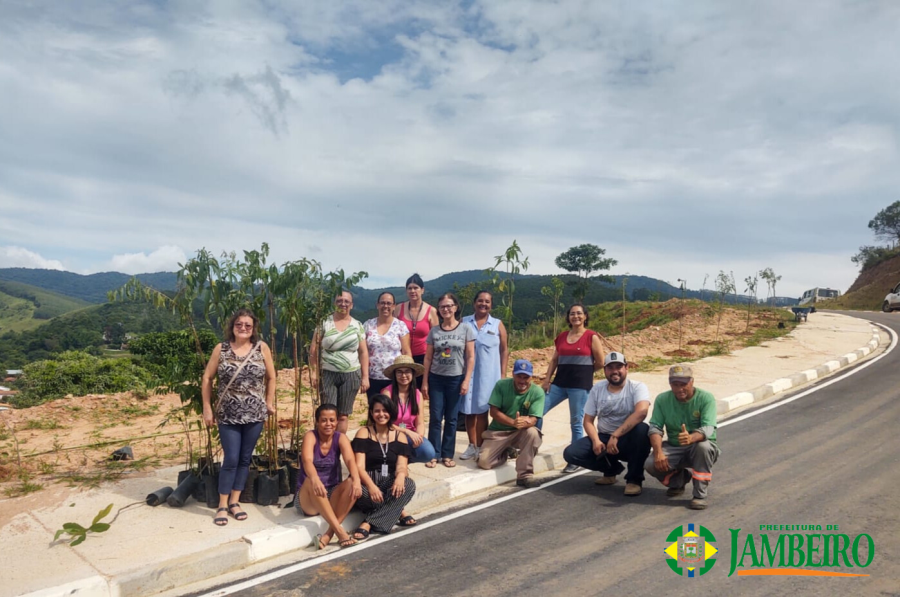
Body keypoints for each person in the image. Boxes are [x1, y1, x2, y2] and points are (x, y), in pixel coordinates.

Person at [201, 308, 276, 526]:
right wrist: (207, 407)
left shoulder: (261, 348)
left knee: (245, 458)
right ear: (232, 326)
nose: (243, 328)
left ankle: (235, 501)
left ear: (253, 329)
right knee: (231, 459)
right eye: (239, 324)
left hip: (254, 414)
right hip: (228, 414)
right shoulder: (221, 349)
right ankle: (222, 505)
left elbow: (271, 377)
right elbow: (207, 378)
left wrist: (268, 403)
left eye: (248, 325)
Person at [562, 352, 651, 496]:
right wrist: (596, 441)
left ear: (627, 368)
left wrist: (616, 435)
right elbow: (588, 421)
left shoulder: (637, 387)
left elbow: (641, 413)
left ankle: (634, 480)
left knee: (643, 430)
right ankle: (611, 470)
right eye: (610, 368)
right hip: (604, 437)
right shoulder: (597, 389)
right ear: (605, 370)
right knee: (571, 453)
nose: (615, 371)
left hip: (629, 439)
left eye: (619, 367)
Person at [540, 303, 605, 473]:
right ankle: (531, 445)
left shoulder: (591, 337)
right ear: (568, 317)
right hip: (559, 383)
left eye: (579, 313)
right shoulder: (562, 336)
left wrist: (586, 371)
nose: (575, 316)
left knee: (576, 421)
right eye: (572, 314)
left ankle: (574, 459)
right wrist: (547, 380)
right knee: (537, 410)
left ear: (585, 316)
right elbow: (554, 360)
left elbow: (600, 362)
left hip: (580, 386)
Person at [643, 364, 720, 510]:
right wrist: (658, 452)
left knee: (702, 447)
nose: (679, 389)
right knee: (650, 464)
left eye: (683, 384)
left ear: (692, 382)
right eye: (675, 384)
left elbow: (709, 428)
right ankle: (678, 481)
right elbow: (655, 428)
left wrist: (691, 438)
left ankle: (699, 495)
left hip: (700, 446)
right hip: (674, 446)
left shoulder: (706, 398)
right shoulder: (662, 399)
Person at [295, 404, 362, 549]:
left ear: (337, 421)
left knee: (351, 483)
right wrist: (315, 479)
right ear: (317, 422)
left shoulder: (340, 437)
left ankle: (329, 534)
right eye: (324, 420)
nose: (328, 424)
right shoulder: (310, 436)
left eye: (332, 420)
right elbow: (306, 460)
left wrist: (356, 480)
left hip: (330, 493)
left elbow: (350, 460)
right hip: (309, 498)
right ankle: (340, 532)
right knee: (310, 481)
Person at [351, 394, 417, 540]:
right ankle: (398, 511)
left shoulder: (399, 435)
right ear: (371, 413)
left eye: (385, 410)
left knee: (409, 485)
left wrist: (400, 477)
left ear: (391, 412)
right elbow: (359, 467)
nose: (381, 414)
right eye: (377, 411)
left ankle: (368, 523)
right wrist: (371, 486)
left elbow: (402, 465)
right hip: (367, 481)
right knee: (360, 492)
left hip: (388, 481)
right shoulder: (364, 432)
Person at [422, 292, 475, 468]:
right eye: (443, 306)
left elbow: (470, 357)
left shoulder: (465, 329)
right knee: (436, 417)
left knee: (452, 419)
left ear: (456, 307)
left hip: (456, 379)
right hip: (436, 379)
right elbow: (428, 358)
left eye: (449, 306)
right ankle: (433, 454)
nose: (446, 309)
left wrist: (466, 380)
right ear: (439, 309)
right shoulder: (434, 331)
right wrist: (425, 382)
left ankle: (447, 454)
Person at [477, 359, 546, 488]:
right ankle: (506, 451)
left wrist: (525, 422)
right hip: (498, 431)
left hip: (521, 432)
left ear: (531, 377)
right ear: (513, 374)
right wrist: (513, 422)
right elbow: (493, 412)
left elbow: (534, 419)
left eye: (526, 377)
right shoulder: (501, 385)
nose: (522, 381)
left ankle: (524, 476)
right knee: (484, 462)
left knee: (533, 433)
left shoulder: (537, 392)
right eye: (519, 376)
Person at [310, 290, 369, 434]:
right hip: (327, 373)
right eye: (339, 301)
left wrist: (365, 376)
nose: (343, 304)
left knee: (343, 415)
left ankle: (338, 447)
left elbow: (363, 352)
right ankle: (323, 448)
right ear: (334, 303)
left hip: (351, 374)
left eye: (346, 301)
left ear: (352, 305)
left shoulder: (357, 325)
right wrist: (313, 373)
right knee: (327, 414)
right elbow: (313, 350)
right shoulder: (325, 322)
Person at [459, 290, 508, 461]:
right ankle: (471, 445)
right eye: (480, 301)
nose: (483, 304)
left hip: (489, 375)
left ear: (491, 305)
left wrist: (502, 374)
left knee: (481, 411)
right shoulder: (464, 322)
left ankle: (480, 446)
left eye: (487, 302)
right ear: (474, 303)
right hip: (468, 375)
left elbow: (504, 350)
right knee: (468, 410)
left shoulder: (497, 325)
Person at [381, 355, 437, 464]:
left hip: (410, 434)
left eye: (407, 372)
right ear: (395, 375)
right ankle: (396, 462)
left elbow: (420, 423)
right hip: (391, 433)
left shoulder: (417, 394)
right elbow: (384, 423)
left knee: (428, 453)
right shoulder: (387, 393)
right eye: (399, 372)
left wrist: (419, 437)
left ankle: (404, 461)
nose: (403, 375)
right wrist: (407, 431)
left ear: (412, 374)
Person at [364, 292, 411, 401]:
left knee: (394, 410)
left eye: (389, 303)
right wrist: (364, 376)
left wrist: (407, 375)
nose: (386, 306)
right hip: (373, 377)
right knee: (374, 410)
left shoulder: (400, 326)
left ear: (394, 306)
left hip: (395, 377)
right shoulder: (368, 325)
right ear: (377, 305)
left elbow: (406, 352)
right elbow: (363, 352)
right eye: (383, 303)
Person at [394, 273, 439, 388]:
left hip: (423, 357)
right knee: (403, 390)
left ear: (422, 290)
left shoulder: (431, 311)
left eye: (416, 288)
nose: (412, 291)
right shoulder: (399, 308)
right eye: (410, 288)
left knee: (420, 391)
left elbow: (436, 338)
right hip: (403, 356)